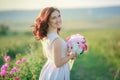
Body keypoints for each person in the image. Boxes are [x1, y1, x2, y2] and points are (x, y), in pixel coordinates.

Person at [32, 7, 77, 80]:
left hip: (48, 69)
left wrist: (66, 54)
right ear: (47, 21)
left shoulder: (45, 37)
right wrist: (71, 55)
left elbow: (47, 55)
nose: (58, 20)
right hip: (57, 73)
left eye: (59, 16)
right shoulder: (56, 40)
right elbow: (58, 64)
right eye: (54, 18)